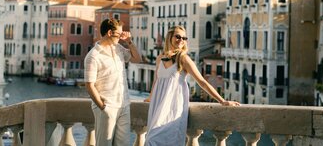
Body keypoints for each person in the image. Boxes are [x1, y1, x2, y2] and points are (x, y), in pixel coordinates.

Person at [144, 25, 240, 145]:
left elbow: (202, 82)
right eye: (178, 37)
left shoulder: (184, 59)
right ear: (169, 37)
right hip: (158, 106)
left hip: (173, 108)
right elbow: (156, 81)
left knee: (155, 140)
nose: (181, 40)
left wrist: (222, 101)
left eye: (184, 38)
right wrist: (150, 98)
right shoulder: (160, 58)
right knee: (150, 139)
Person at [84, 18, 142, 146]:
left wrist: (129, 42)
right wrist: (103, 107)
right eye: (119, 34)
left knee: (123, 144)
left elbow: (137, 59)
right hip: (107, 107)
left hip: (124, 105)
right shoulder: (93, 56)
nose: (121, 37)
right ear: (109, 33)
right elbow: (89, 85)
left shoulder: (119, 49)